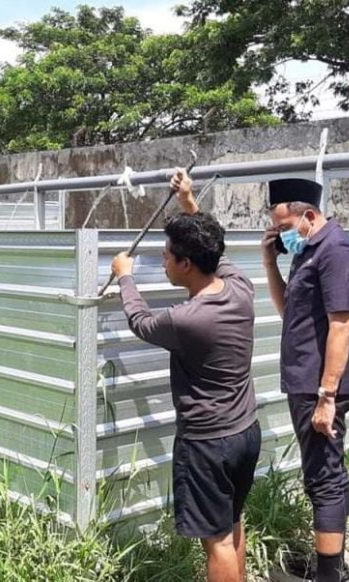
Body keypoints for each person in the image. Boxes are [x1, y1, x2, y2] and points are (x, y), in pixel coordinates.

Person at [110, 169, 260, 582]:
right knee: (230, 524)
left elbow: (140, 322)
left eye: (166, 255)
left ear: (186, 264)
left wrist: (125, 275)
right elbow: (215, 246)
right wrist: (189, 202)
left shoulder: (187, 319)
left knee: (216, 542)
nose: (163, 260)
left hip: (208, 443)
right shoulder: (240, 287)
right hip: (245, 431)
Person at [261, 179, 349, 582]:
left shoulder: (336, 252)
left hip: (321, 385)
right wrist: (270, 260)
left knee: (324, 475)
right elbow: (289, 309)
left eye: (284, 226)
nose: (281, 234)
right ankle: (332, 565)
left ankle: (329, 575)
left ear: (309, 215)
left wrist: (327, 395)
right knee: (324, 470)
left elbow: (343, 325)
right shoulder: (307, 250)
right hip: (307, 380)